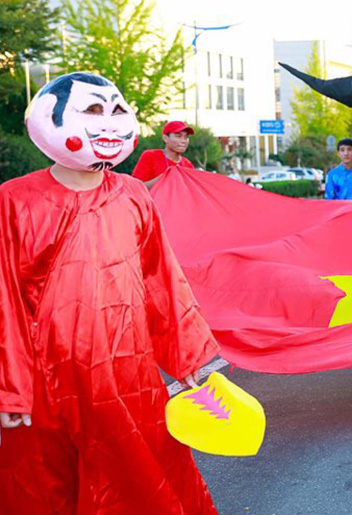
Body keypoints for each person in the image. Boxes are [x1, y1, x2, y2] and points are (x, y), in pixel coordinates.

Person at [0, 72, 219, 514]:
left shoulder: (134, 195)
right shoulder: (14, 200)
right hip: (49, 382)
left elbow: (162, 280)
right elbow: (5, 301)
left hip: (128, 375)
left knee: (140, 480)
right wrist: (11, 389)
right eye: (92, 110)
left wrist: (184, 357)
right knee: (47, 487)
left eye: (116, 110)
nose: (107, 123)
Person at [132, 120, 196, 188]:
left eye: (186, 137)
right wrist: (165, 177)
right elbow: (136, 187)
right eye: (178, 136)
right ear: (165, 138)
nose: (183, 141)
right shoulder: (151, 156)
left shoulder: (188, 165)